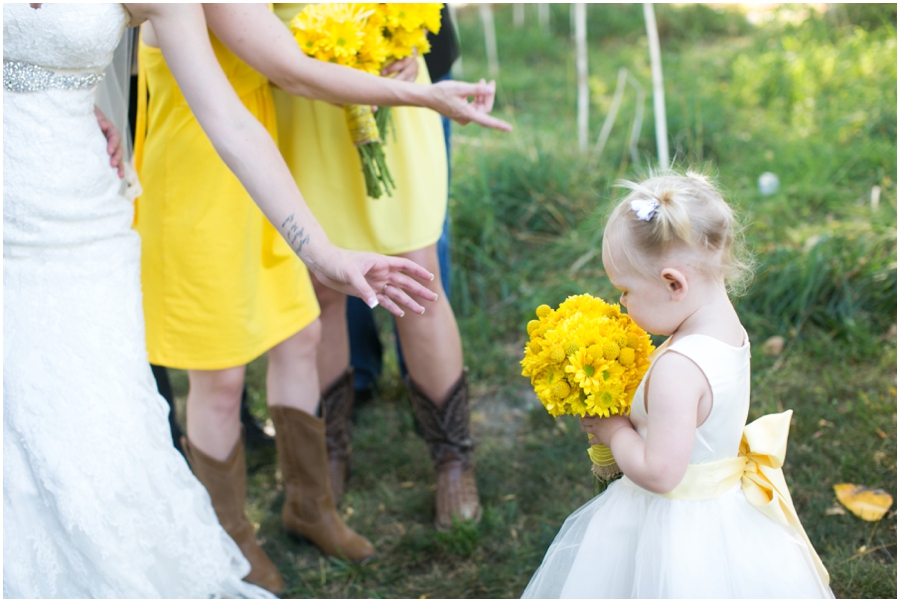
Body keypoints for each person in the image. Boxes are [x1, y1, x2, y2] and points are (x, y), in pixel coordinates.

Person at [3, 3, 438, 597]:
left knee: (102, 413)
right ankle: (231, 531)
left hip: (99, 215)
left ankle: (307, 506)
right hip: (100, 201)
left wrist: (324, 254)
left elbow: (237, 114)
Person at [134, 3, 510, 592]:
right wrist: (426, 98)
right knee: (221, 375)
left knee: (300, 336)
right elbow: (289, 68)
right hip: (211, 177)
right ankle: (229, 541)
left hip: (267, 172)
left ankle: (313, 505)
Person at [521, 170, 833, 598]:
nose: (622, 304)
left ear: (673, 284)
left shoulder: (678, 370)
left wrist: (613, 431)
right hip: (725, 512)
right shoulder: (726, 331)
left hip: (673, 523)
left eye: (626, 291)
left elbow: (661, 472)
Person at [272, 3, 490, 533]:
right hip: (301, 95)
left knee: (418, 282)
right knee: (319, 287)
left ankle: (453, 458)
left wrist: (409, 35)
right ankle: (328, 447)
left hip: (399, 82)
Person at [346, 3, 460, 403]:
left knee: (421, 243)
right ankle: (353, 379)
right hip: (315, 66)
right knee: (336, 244)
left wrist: (409, 36)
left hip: (410, 50)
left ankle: (432, 400)